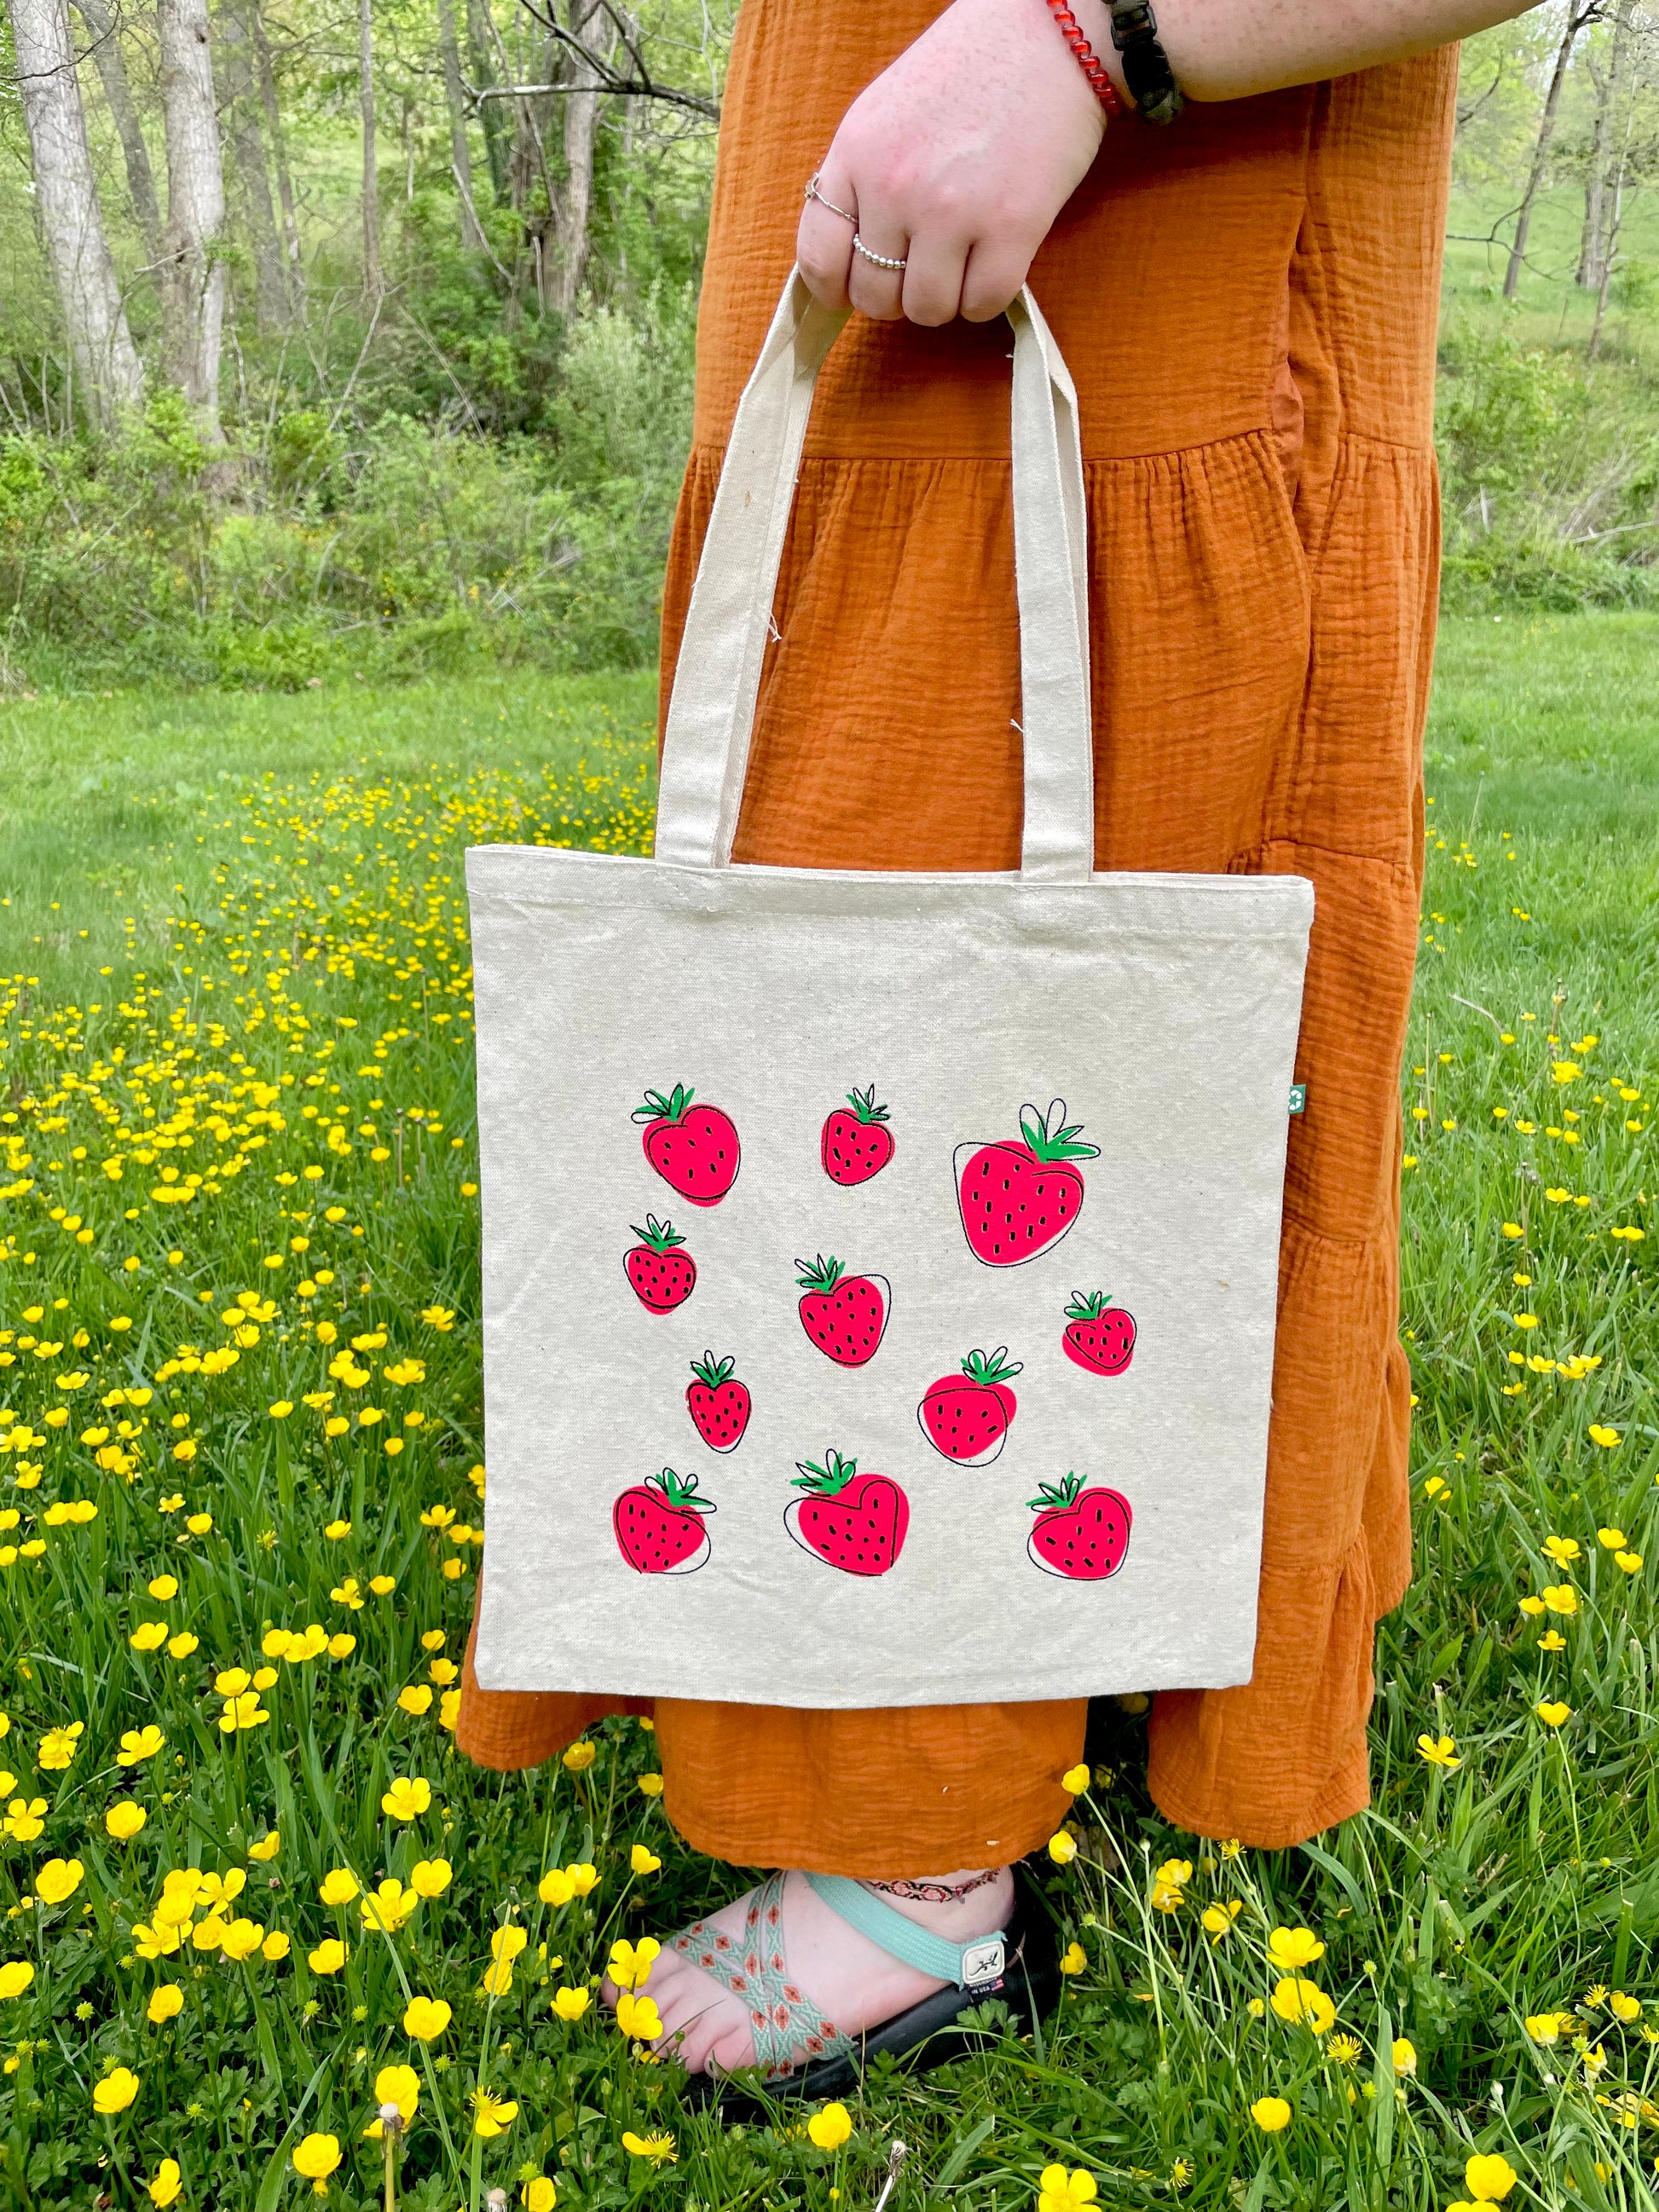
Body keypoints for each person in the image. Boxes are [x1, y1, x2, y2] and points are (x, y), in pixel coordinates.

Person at [460, 0, 1541, 2078]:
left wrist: (1091, 37)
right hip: (944, 196)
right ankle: (1111, 1621)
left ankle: (925, 1856)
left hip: (1147, 219)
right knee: (899, 1025)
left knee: (992, 1049)